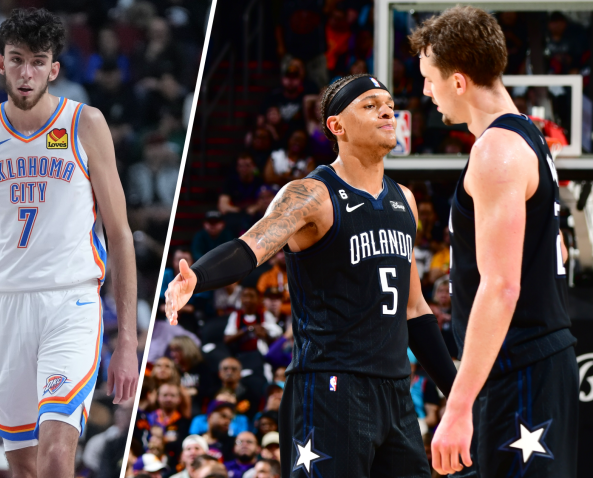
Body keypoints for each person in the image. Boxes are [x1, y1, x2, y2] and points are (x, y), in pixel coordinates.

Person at [164, 74, 458, 478]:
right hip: (330, 387)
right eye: (369, 105)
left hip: (395, 391)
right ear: (337, 126)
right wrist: (196, 276)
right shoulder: (311, 195)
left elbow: (415, 309)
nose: (386, 110)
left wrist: (456, 393)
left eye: (388, 103)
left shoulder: (403, 198)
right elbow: (251, 246)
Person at [0, 9, 139, 478]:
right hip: (1, 307)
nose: (26, 72)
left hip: (70, 302)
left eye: (38, 61)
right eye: (17, 60)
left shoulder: (85, 123)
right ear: (0, 63)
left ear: (54, 69)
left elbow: (119, 234)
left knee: (57, 457)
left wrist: (129, 342)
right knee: (24, 468)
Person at [411, 6, 578, 476]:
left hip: (522, 363)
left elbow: (502, 285)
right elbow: (557, 250)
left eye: (430, 78)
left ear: (458, 82)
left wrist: (458, 406)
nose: (426, 90)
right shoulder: (529, 137)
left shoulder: (496, 151)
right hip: (539, 358)